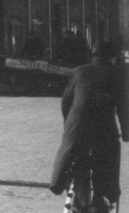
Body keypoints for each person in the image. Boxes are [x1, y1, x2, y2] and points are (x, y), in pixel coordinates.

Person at [49, 40, 129, 212]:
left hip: (76, 129)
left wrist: (68, 125)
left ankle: (75, 195)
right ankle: (102, 196)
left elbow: (66, 102)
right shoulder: (117, 74)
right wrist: (126, 133)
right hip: (103, 131)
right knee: (109, 157)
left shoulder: (80, 71)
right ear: (113, 57)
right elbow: (123, 108)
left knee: (76, 157)